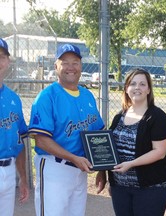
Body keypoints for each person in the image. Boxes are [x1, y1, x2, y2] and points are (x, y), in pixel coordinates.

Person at [28, 44, 105, 216]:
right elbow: (41, 139)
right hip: (54, 168)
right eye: (65, 62)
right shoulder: (47, 97)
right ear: (56, 66)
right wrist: (73, 158)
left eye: (75, 62)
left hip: (80, 171)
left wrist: (102, 167)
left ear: (81, 66)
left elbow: (98, 135)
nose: (71, 67)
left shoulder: (87, 96)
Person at [96, 68, 166, 216]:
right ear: (126, 88)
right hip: (121, 188)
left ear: (149, 89)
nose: (137, 87)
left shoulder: (157, 117)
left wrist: (130, 164)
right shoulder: (120, 116)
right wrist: (105, 173)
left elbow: (159, 152)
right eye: (133, 84)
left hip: (151, 188)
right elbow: (109, 149)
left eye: (142, 84)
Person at [0, 38, 29, 216]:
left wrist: (23, 178)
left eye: (1, 57)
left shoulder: (13, 98)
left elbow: (19, 141)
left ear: (8, 62)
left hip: (9, 172)